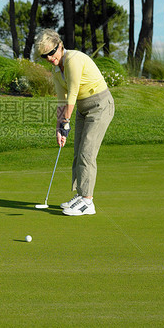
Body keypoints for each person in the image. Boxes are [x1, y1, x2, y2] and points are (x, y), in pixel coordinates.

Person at [34, 29, 114, 216]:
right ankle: (81, 195)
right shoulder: (56, 70)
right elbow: (62, 100)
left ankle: (88, 201)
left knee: (87, 152)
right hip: (82, 108)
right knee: (78, 151)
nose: (50, 58)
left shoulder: (73, 59)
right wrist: (59, 128)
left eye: (52, 52)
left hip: (100, 105)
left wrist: (66, 121)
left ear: (60, 46)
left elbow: (73, 91)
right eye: (45, 56)